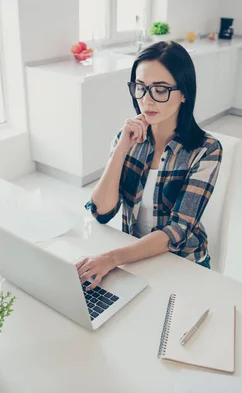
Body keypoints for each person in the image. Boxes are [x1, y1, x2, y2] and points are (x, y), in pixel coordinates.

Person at [78, 41, 223, 290]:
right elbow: (101, 212)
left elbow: (176, 230)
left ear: (185, 93)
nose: (147, 100)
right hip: (135, 260)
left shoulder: (207, 150)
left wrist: (112, 258)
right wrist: (121, 148)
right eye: (141, 88)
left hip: (183, 263)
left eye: (160, 90)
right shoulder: (129, 137)